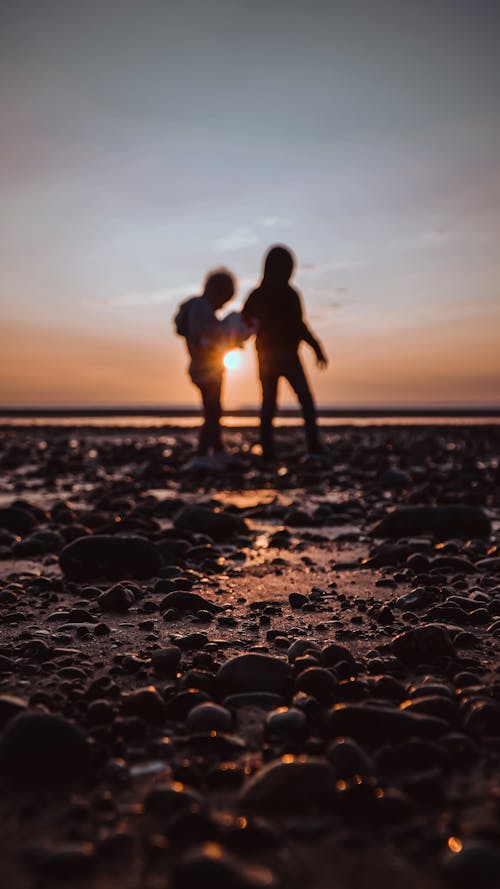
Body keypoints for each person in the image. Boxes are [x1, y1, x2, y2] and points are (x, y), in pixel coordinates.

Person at [242, 245, 327, 460]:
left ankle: (268, 450)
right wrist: (316, 347)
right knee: (305, 400)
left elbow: (244, 323)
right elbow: (300, 326)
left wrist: (232, 340)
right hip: (286, 356)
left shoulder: (258, 294)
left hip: (269, 356)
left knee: (269, 403)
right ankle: (314, 446)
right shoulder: (289, 295)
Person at [174, 267, 251, 469]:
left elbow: (209, 337)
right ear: (215, 290)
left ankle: (217, 451)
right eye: (223, 300)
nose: (221, 306)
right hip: (205, 370)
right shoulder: (201, 308)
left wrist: (229, 341)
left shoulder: (202, 309)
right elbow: (205, 337)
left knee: (214, 409)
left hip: (206, 369)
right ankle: (201, 454)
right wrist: (229, 335)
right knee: (212, 412)